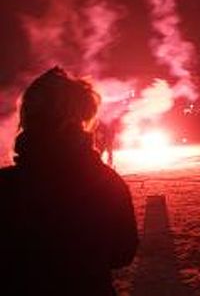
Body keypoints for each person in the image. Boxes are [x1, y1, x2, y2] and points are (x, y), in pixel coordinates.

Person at [0, 67, 138, 295]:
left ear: (27, 117)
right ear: (83, 118)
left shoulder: (6, 188)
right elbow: (122, 253)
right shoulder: (107, 184)